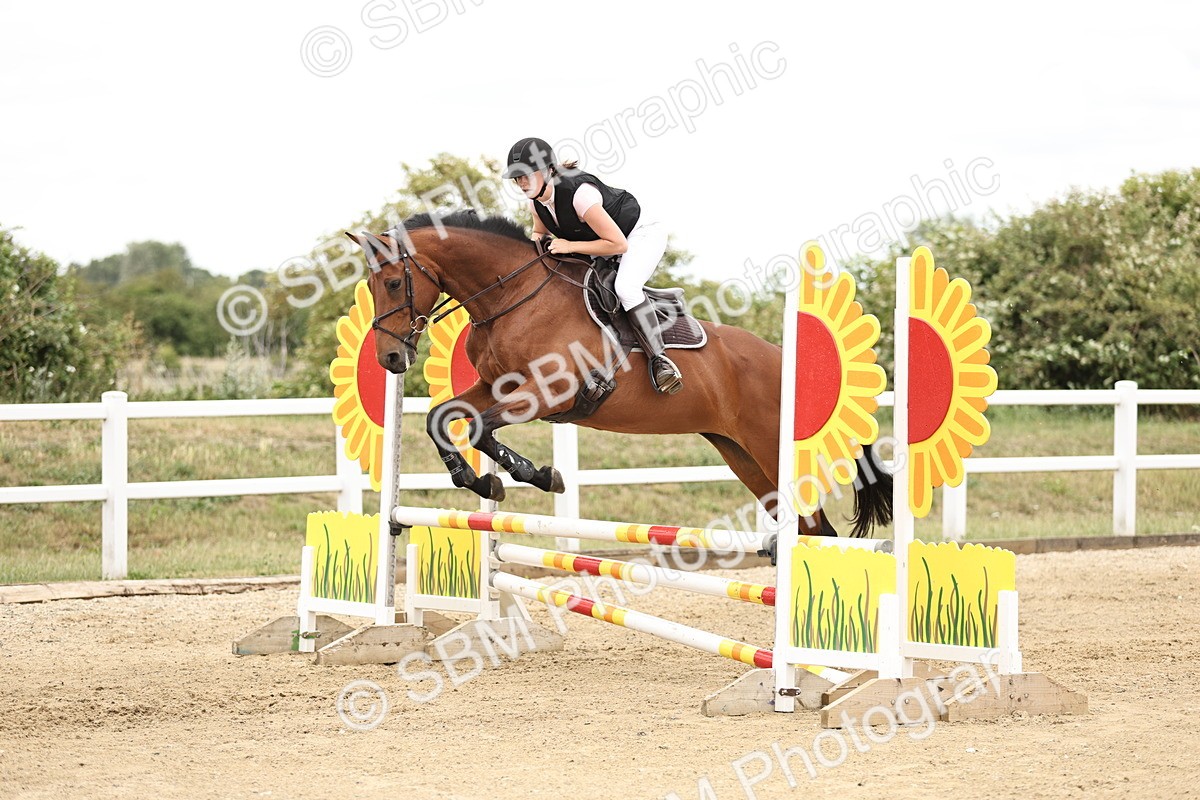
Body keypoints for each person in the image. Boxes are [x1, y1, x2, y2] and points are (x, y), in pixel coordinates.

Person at [501, 136, 683, 395]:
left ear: (548, 170)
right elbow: (538, 235)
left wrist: (569, 246)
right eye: (517, 178)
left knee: (626, 288)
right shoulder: (536, 201)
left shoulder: (579, 194)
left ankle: (660, 360)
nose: (521, 183)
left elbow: (617, 244)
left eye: (526, 176)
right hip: (602, 241)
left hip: (638, 234)